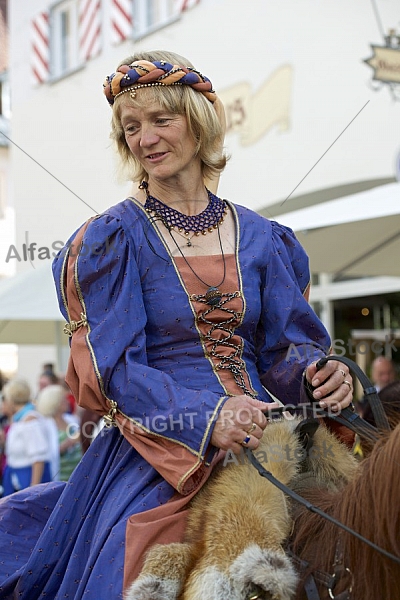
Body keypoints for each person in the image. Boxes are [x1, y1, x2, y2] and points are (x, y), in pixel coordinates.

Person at [0, 50, 353, 599]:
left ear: (199, 121)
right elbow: (115, 371)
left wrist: (319, 375)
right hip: (161, 445)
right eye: (131, 128)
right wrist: (210, 418)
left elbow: (285, 353)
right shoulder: (112, 239)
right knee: (125, 566)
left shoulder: (264, 238)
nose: (146, 139)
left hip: (273, 434)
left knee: (356, 540)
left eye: (162, 120)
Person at [1, 378, 53, 496]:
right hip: (17, 478)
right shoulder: (20, 419)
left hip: (29, 478)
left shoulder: (30, 421)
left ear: (12, 400)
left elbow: (38, 459)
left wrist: (33, 492)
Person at [35, 384, 82, 481]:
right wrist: (69, 442)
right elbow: (46, 453)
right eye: (63, 400)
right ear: (54, 403)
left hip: (78, 474)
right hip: (60, 476)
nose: (68, 402)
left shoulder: (72, 419)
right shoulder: (44, 425)